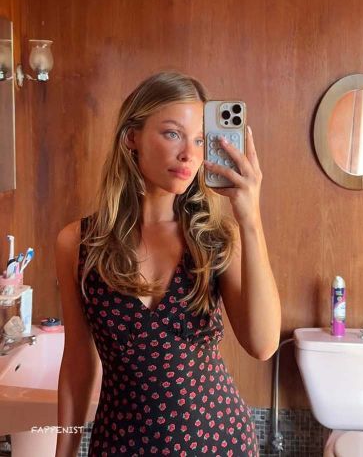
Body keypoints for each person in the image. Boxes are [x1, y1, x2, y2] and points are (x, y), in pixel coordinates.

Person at [54, 70, 281, 457]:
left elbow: (262, 345)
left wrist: (250, 218)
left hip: (218, 443)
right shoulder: (78, 243)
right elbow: (77, 363)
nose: (189, 154)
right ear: (132, 137)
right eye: (173, 133)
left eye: (199, 139)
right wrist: (64, 452)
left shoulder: (215, 238)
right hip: (121, 447)